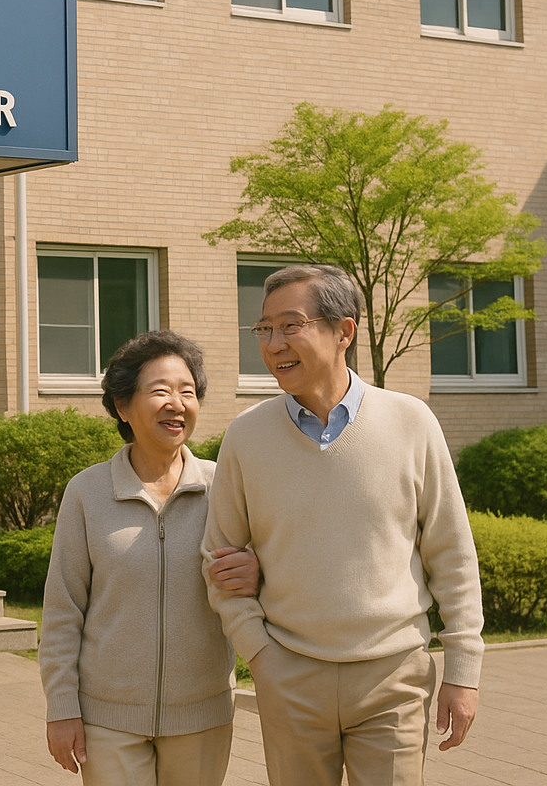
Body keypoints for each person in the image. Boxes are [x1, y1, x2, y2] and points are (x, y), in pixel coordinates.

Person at [203, 264, 484, 786]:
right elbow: (216, 559)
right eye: (264, 329)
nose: (274, 344)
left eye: (291, 325)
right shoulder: (246, 436)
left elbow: (452, 553)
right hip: (289, 675)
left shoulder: (411, 421)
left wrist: (463, 670)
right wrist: (259, 653)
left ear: (344, 332)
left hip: (394, 677)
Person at [41, 330, 262, 786]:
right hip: (107, 719)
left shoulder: (223, 487)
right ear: (122, 406)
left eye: (187, 392)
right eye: (160, 391)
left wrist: (257, 571)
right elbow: (63, 612)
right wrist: (62, 707)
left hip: (202, 716)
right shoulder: (87, 493)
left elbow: (267, 574)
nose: (176, 404)